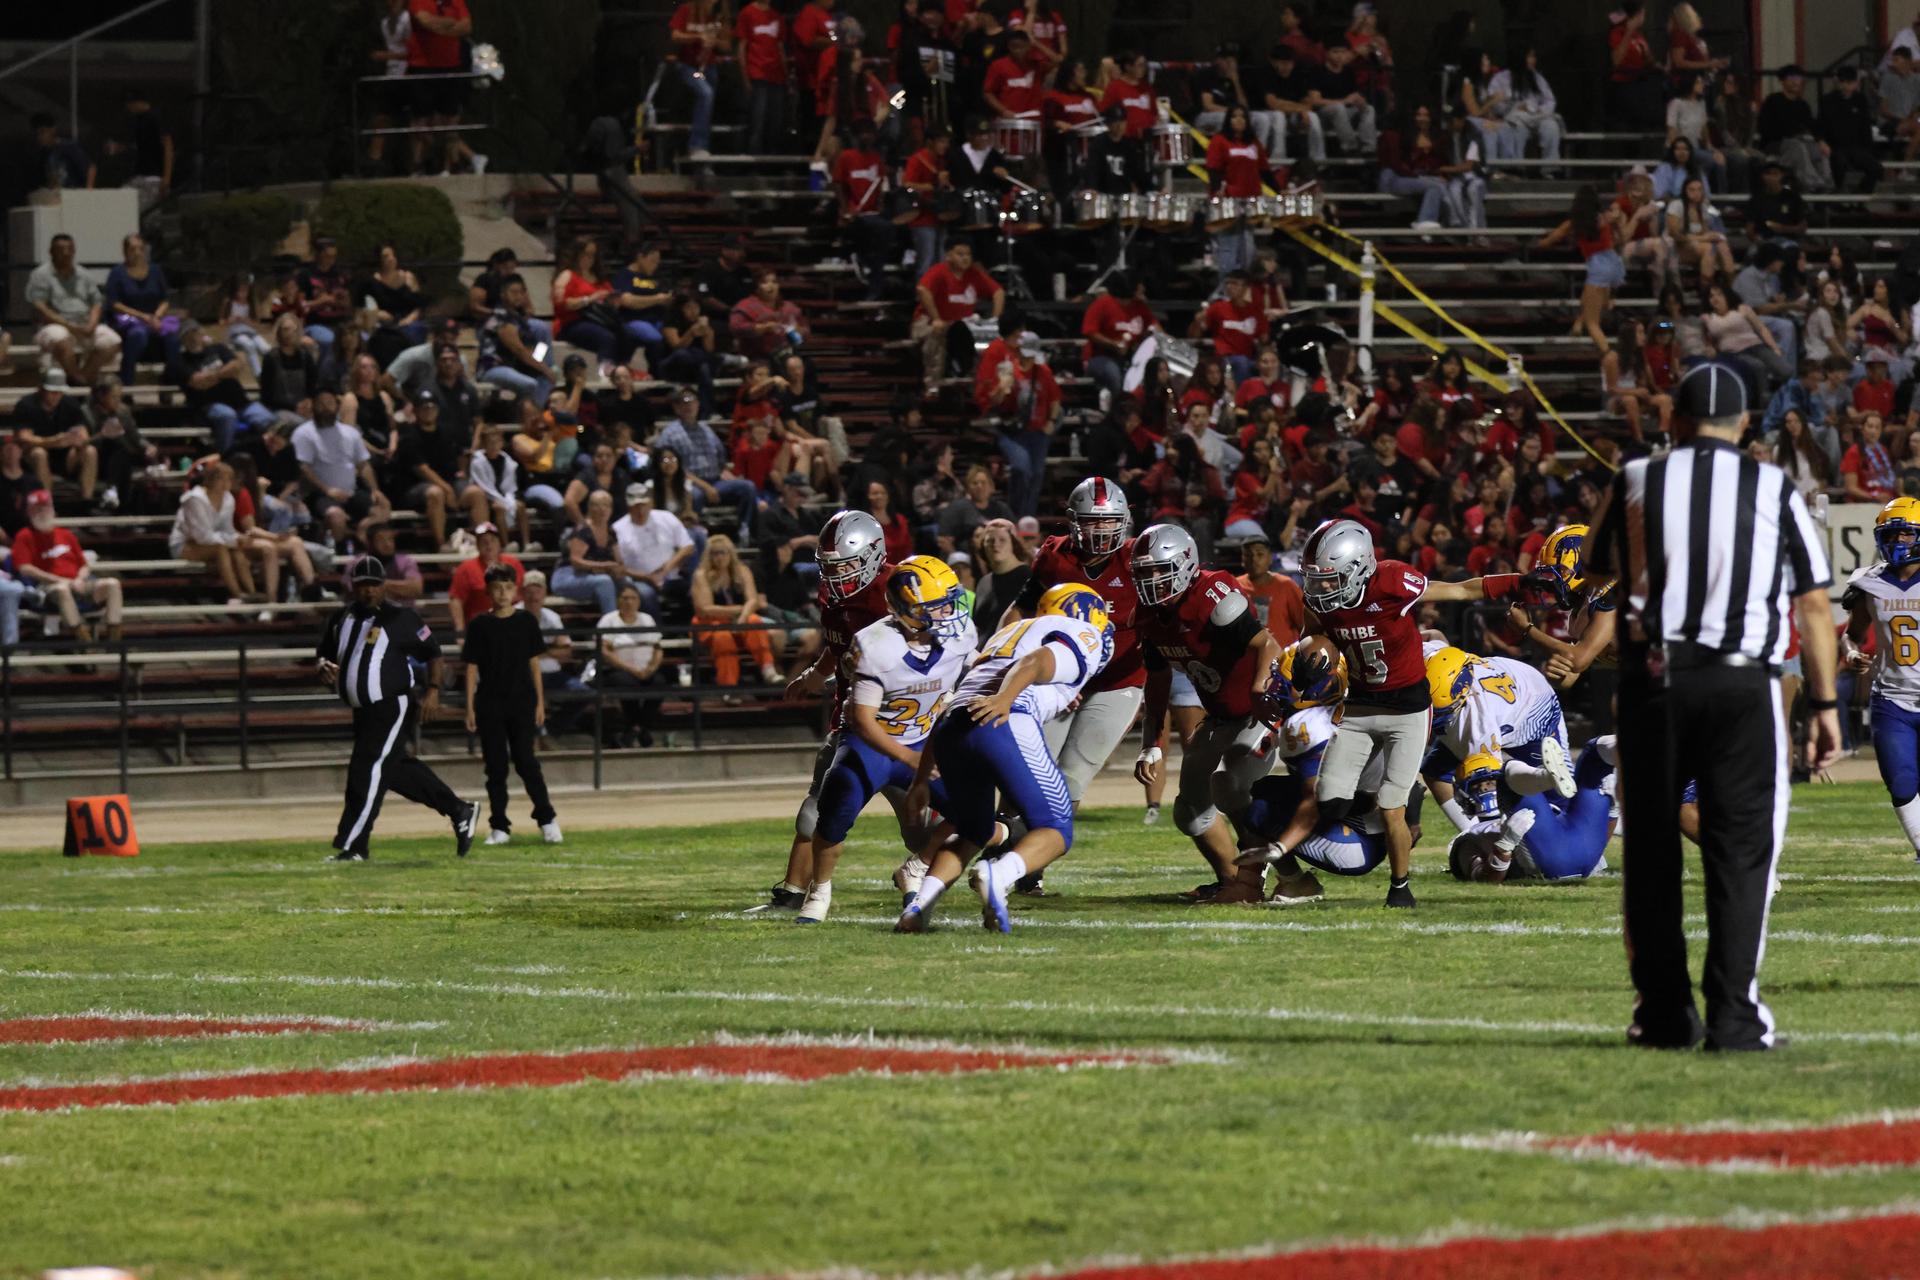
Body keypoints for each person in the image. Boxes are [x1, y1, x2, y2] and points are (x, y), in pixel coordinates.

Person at [1589, 361, 1841, 1051]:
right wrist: (1823, 703)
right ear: (1744, 425)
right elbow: (1814, 605)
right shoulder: (1773, 484)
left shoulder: (1636, 475)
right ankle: (1734, 1016)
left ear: (1673, 419)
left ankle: (1664, 1016)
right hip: (1742, 684)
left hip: (1653, 681)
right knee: (1741, 852)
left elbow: (1593, 565)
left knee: (1650, 854)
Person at [1300, 518, 1524, 908]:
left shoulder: (1390, 581)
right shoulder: (1322, 603)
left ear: (1358, 568)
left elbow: (1458, 589)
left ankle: (1400, 886)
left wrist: (1517, 582)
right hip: (1359, 706)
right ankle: (1381, 808)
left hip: (1407, 709)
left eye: (1329, 578)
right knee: (1331, 801)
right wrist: (1308, 662)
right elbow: (1315, 640)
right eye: (1315, 578)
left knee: (1392, 808)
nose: (1320, 588)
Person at [896, 584, 1113, 932]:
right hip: (1001, 720)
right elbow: (1035, 662)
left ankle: (917, 908)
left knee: (973, 830)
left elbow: (959, 699)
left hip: (952, 728)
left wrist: (921, 780)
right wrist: (1005, 699)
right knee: (1056, 829)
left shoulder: (1011, 631)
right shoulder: (1080, 631)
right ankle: (998, 873)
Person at [795, 557, 975, 923]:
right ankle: (819, 891)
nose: (948, 612)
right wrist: (911, 761)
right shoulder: (876, 645)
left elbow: (978, 666)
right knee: (834, 810)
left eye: (948, 602)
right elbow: (862, 721)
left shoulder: (960, 633)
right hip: (872, 743)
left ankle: (917, 868)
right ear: (907, 610)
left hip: (925, 739)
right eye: (935, 606)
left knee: (973, 812)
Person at [1128, 524, 1285, 903]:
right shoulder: (1150, 616)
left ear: (1184, 565)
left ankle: (1291, 874)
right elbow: (1158, 681)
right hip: (1218, 717)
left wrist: (1260, 690)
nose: (1150, 581)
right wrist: (1151, 743)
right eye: (1144, 573)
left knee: (1230, 786)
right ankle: (1234, 881)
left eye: (1158, 571)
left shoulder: (1213, 597)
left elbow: (1269, 644)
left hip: (1255, 713)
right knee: (1190, 811)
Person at [319, 555, 478, 861]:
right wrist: (323, 668)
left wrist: (433, 690)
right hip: (362, 711)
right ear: (354, 586)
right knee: (392, 770)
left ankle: (354, 845)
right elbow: (325, 656)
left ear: (384, 586)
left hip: (392, 705)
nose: (369, 591)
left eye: (374, 585)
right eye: (363, 585)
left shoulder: (400, 618)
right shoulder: (341, 619)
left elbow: (433, 652)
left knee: (366, 769)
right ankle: (459, 809)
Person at [1842, 497, 1920, 862]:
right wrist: (1851, 652)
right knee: (1902, 783)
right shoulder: (1869, 582)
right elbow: (1852, 633)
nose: (1897, 542)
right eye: (1891, 534)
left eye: (1904, 534)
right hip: (1892, 700)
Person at [463, 563, 561, 846]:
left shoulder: (526, 621)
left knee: (527, 762)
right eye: (497, 588)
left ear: (514, 590)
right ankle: (499, 826)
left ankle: (547, 819)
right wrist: (469, 707)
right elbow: (471, 668)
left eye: (507, 587)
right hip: (490, 702)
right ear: (488, 591)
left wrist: (540, 702)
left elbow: (535, 665)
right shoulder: (480, 625)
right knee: (495, 767)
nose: (503, 593)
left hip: (521, 700)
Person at [1447, 739, 1617, 883]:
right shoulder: (1469, 838)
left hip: (1587, 850)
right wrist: (1504, 847)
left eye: (1490, 783)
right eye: (1478, 785)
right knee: (1509, 769)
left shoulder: (1534, 806)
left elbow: (1596, 836)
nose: (1485, 789)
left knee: (1595, 752)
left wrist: (1612, 810)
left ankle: (1546, 777)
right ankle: (1545, 777)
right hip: (1553, 861)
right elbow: (1483, 878)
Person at [10, 490, 123, 645]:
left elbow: (83, 566)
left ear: (52, 509)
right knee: (62, 589)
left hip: (78, 583)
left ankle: (114, 640)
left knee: (113, 584)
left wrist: (80, 579)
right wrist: (63, 581)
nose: (43, 512)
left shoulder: (66, 534)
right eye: (38, 508)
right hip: (48, 588)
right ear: (29, 511)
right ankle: (83, 639)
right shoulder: (24, 536)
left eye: (46, 507)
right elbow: (25, 568)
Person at [973, 333, 1059, 518]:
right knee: (1021, 468)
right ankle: (1014, 514)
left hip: (1037, 432)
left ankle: (1028, 517)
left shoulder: (1043, 371)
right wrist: (1002, 387)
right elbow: (994, 401)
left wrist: (1051, 421)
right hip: (1012, 431)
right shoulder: (1007, 369)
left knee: (1036, 475)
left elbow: (1054, 400)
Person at [911, 240, 1004, 396]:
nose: (965, 258)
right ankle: (932, 385)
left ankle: (979, 383)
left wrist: (996, 318)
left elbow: (998, 292)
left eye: (968, 254)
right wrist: (936, 318)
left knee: (987, 339)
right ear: (949, 255)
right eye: (960, 254)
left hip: (963, 325)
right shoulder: (939, 271)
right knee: (936, 335)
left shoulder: (975, 274)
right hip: (929, 321)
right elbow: (922, 289)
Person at [27, 234, 121, 386]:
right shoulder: (40, 275)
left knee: (112, 341)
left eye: (69, 249)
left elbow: (96, 302)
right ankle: (79, 381)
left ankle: (81, 379)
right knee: (61, 340)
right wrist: (70, 326)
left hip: (84, 324)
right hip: (54, 325)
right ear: (51, 252)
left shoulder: (84, 274)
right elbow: (40, 308)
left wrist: (91, 324)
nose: (66, 253)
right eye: (61, 250)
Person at [170, 462, 265, 604]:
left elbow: (227, 529)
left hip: (212, 541)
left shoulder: (228, 499)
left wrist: (238, 538)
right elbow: (202, 536)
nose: (226, 483)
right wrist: (231, 540)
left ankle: (251, 592)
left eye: (229, 479)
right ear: (211, 479)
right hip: (185, 544)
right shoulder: (195, 499)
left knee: (237, 551)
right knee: (220, 549)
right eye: (222, 479)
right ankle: (237, 594)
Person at [406, 0, 480, 174]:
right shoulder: (419, 1)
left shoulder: (456, 2)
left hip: (451, 66)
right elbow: (426, 22)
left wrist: (442, 26)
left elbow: (467, 27)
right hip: (422, 67)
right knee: (421, 118)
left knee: (450, 118)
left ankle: (454, 163)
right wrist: (449, 24)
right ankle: (418, 163)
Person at [15, 368, 99, 509]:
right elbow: (23, 437)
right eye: (52, 392)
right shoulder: (26, 405)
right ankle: (47, 504)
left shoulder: (70, 404)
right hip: (35, 456)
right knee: (39, 454)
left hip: (65, 457)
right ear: (41, 389)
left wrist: (79, 440)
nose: (56, 396)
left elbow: (83, 431)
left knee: (90, 451)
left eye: (59, 392)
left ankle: (87, 502)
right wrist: (53, 442)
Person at [612, 481, 695, 616]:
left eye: (643, 505)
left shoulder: (666, 517)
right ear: (628, 506)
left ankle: (690, 630)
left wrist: (666, 568)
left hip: (670, 575)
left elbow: (688, 546)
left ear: (650, 503)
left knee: (694, 588)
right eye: (635, 506)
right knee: (645, 594)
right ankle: (656, 633)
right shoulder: (618, 529)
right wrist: (648, 577)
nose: (640, 510)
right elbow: (619, 567)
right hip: (638, 579)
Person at [597, 581, 664, 747]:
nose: (629, 602)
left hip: (646, 669)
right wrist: (630, 668)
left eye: (633, 598)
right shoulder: (609, 620)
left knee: (660, 684)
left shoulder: (647, 619)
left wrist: (652, 667)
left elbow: (658, 648)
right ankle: (640, 729)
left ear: (639, 601)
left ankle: (637, 727)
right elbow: (604, 650)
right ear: (618, 601)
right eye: (625, 598)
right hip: (619, 669)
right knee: (627, 684)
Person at [476, 275, 553, 405]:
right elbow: (519, 350)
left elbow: (530, 348)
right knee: (531, 384)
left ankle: (534, 415)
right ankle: (532, 417)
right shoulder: (501, 317)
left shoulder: (518, 319)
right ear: (503, 295)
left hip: (512, 366)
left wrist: (542, 366)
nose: (518, 296)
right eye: (513, 292)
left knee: (545, 376)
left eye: (521, 292)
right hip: (493, 368)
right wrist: (546, 369)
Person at [1758, 65, 1833, 193]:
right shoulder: (1773, 100)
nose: (1795, 81)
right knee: (1797, 145)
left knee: (1818, 148)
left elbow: (1812, 125)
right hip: (1776, 143)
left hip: (1798, 142)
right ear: (1782, 81)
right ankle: (1813, 182)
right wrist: (1792, 134)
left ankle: (1827, 183)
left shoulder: (1802, 104)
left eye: (1798, 78)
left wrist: (1820, 141)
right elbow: (1765, 128)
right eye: (1791, 78)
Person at [668, 0, 727, 156]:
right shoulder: (686, 10)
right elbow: (675, 35)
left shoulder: (719, 15)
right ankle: (697, 145)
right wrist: (698, 37)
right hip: (689, 68)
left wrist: (715, 42)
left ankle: (705, 148)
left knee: (708, 99)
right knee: (705, 92)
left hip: (708, 67)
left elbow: (727, 45)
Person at [446, 521, 524, 632]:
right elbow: (456, 600)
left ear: (499, 543)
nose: (489, 545)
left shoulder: (513, 564)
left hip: (513, 624)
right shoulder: (466, 568)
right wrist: (460, 630)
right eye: (484, 541)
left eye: (492, 540)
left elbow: (524, 592)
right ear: (477, 545)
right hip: (480, 628)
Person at [735, 0, 789, 154]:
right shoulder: (747, 13)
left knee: (775, 122)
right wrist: (745, 78)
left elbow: (780, 48)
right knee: (757, 120)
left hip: (776, 76)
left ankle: (772, 161)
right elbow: (741, 47)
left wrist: (786, 75)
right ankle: (754, 162)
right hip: (757, 73)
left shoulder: (777, 16)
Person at [729, 270, 809, 361]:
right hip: (757, 357)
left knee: (804, 364)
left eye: (774, 282)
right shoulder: (745, 306)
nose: (771, 286)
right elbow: (735, 327)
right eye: (765, 282)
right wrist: (763, 327)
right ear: (757, 287)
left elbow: (805, 331)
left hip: (787, 355)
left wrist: (799, 330)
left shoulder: (789, 307)